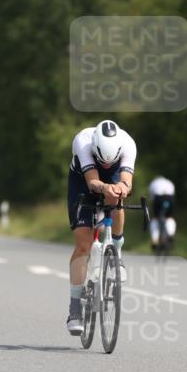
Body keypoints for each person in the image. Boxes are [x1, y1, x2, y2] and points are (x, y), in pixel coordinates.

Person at [65, 120, 136, 335]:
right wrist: (106, 188)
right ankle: (75, 307)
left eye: (110, 161)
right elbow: (93, 182)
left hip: (112, 180)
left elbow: (126, 180)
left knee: (117, 199)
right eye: (102, 160)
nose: (106, 165)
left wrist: (121, 188)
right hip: (83, 181)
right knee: (84, 245)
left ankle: (117, 251)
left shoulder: (128, 144)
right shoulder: (83, 142)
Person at [148, 175, 177, 252]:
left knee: (155, 219)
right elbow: (173, 195)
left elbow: (152, 199)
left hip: (158, 198)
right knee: (170, 218)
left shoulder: (153, 183)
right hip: (170, 198)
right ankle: (170, 234)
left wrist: (154, 213)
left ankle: (154, 241)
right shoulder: (169, 183)